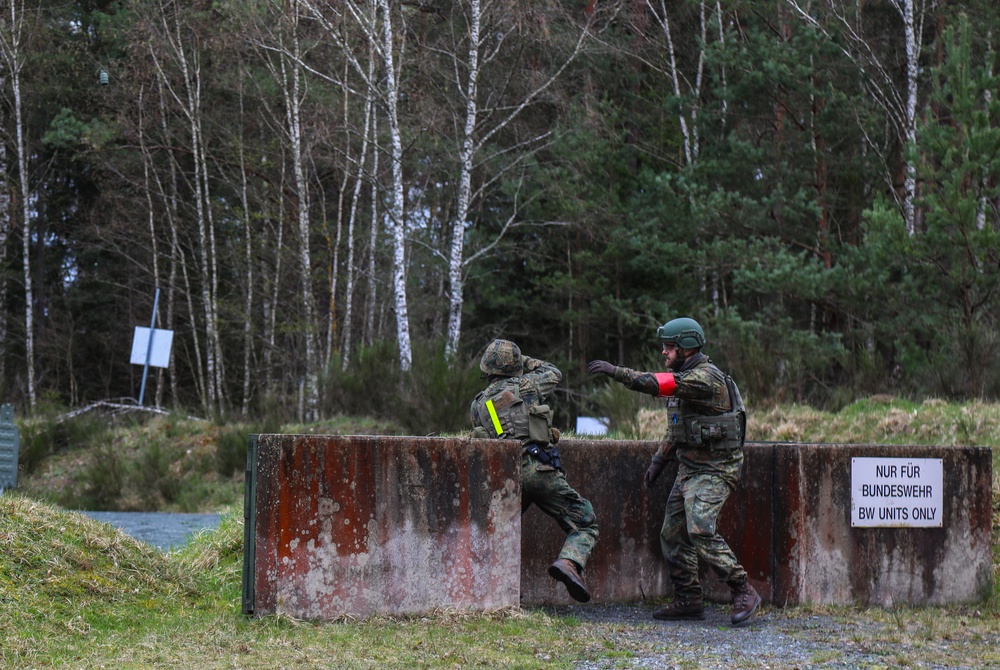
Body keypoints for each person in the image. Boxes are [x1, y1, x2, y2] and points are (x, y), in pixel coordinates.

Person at [587, 317, 760, 626]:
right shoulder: (685, 377)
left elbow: (655, 383)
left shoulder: (705, 378)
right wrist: (659, 461)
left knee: (699, 529)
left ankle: (742, 589)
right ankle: (689, 599)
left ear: (685, 348)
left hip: (715, 470)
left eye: (668, 348)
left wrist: (617, 372)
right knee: (671, 534)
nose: (664, 354)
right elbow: (678, 430)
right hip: (690, 470)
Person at [471, 339, 598, 603]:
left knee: (500, 532)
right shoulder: (527, 385)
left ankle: (495, 594)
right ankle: (569, 562)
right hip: (540, 471)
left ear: (487, 369)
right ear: (516, 366)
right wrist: (523, 360)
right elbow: (553, 371)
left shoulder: (479, 404)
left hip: (508, 477)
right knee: (585, 521)